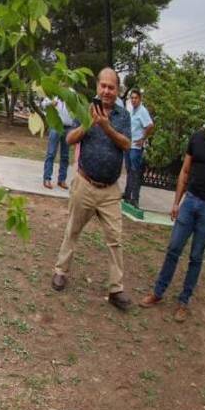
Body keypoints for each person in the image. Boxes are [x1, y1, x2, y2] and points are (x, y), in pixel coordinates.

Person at [139, 94, 205, 321]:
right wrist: (176, 202)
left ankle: (184, 301)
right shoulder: (195, 139)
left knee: (196, 256)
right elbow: (184, 172)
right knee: (173, 248)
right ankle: (158, 292)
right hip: (190, 201)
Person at [51, 68, 133, 310]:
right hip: (85, 184)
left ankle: (116, 289)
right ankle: (60, 271)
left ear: (117, 91)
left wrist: (106, 127)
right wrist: (89, 124)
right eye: (103, 86)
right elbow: (69, 139)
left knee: (115, 239)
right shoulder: (85, 109)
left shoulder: (123, 115)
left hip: (109, 191)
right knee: (72, 230)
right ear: (98, 86)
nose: (107, 91)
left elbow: (127, 144)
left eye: (112, 87)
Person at [122, 88, 154, 207]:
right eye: (132, 98)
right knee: (129, 170)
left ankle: (135, 198)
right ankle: (127, 193)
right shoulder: (132, 110)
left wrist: (143, 138)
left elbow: (150, 125)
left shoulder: (142, 111)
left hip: (136, 146)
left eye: (136, 98)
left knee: (135, 171)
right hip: (129, 144)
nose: (134, 100)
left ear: (140, 99)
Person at [42, 97, 76, 190]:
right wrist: (50, 103)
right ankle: (47, 178)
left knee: (65, 156)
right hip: (56, 126)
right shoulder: (54, 92)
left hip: (68, 127)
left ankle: (62, 180)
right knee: (51, 153)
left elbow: (76, 109)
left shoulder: (72, 93)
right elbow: (43, 105)